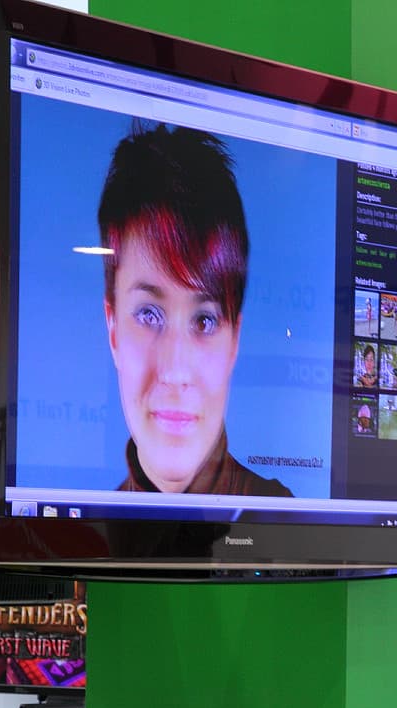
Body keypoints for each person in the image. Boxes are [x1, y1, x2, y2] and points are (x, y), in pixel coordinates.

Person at [98, 123, 291, 497]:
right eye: (148, 314)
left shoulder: (287, 520)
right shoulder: (80, 529)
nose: (175, 371)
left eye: (204, 320)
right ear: (114, 331)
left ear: (234, 342)